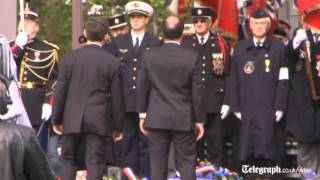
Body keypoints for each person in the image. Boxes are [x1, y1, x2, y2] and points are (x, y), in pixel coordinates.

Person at [51, 17, 124, 180]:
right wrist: (118, 126)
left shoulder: (69, 58)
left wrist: (57, 119)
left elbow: (60, 91)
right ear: (106, 36)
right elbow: (117, 98)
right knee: (95, 162)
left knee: (68, 160)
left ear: (85, 33)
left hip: (71, 118)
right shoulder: (112, 62)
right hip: (98, 119)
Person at [138, 15, 205, 180]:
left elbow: (142, 87)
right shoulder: (192, 56)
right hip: (183, 118)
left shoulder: (149, 56)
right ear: (182, 34)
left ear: (163, 33)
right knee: (187, 164)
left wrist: (142, 114)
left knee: (157, 166)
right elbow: (197, 91)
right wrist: (199, 120)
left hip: (157, 117)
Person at [228, 8, 288, 176]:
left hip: (270, 110)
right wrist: (235, 107)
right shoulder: (240, 49)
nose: (259, 27)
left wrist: (280, 106)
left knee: (269, 153)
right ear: (250, 26)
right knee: (248, 153)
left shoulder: (278, 49)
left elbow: (284, 80)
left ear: (268, 26)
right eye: (255, 23)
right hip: (246, 111)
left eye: (262, 23)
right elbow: (233, 80)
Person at [107, 1, 162, 178]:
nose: (135, 20)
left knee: (146, 143)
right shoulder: (117, 42)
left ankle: (145, 176)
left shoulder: (155, 43)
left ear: (146, 19)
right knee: (128, 144)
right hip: (125, 101)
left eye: (139, 17)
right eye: (132, 17)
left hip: (148, 102)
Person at [181, 6, 231, 167]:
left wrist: (227, 101)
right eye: (196, 21)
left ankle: (216, 173)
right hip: (192, 103)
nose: (200, 24)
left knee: (216, 144)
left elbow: (228, 74)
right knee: (194, 145)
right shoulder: (186, 42)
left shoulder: (221, 43)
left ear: (210, 23)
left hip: (215, 101)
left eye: (203, 21)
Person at [10, 3, 59, 151]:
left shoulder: (48, 50)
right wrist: (18, 46)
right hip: (14, 103)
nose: (25, 25)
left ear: (37, 27)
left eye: (30, 22)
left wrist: (48, 103)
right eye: (23, 21)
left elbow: (54, 79)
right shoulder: (10, 46)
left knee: (36, 150)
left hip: (35, 105)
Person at [286, 1, 320, 175]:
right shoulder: (298, 40)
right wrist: (294, 43)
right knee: (307, 151)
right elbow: (287, 63)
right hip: (305, 106)